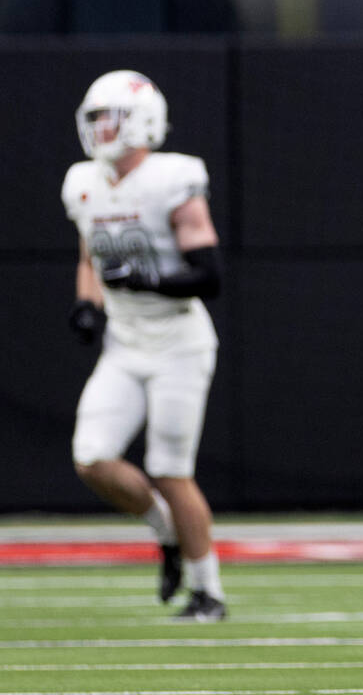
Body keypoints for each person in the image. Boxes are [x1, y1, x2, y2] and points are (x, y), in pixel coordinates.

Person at [62, 69, 227, 621]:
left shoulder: (172, 177)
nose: (99, 130)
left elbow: (209, 275)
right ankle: (167, 532)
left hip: (179, 342)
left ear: (141, 121)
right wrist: (88, 303)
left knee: (170, 469)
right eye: (93, 119)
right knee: (92, 458)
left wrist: (145, 280)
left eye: (108, 118)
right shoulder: (83, 181)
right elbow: (90, 256)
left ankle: (208, 592)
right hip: (126, 344)